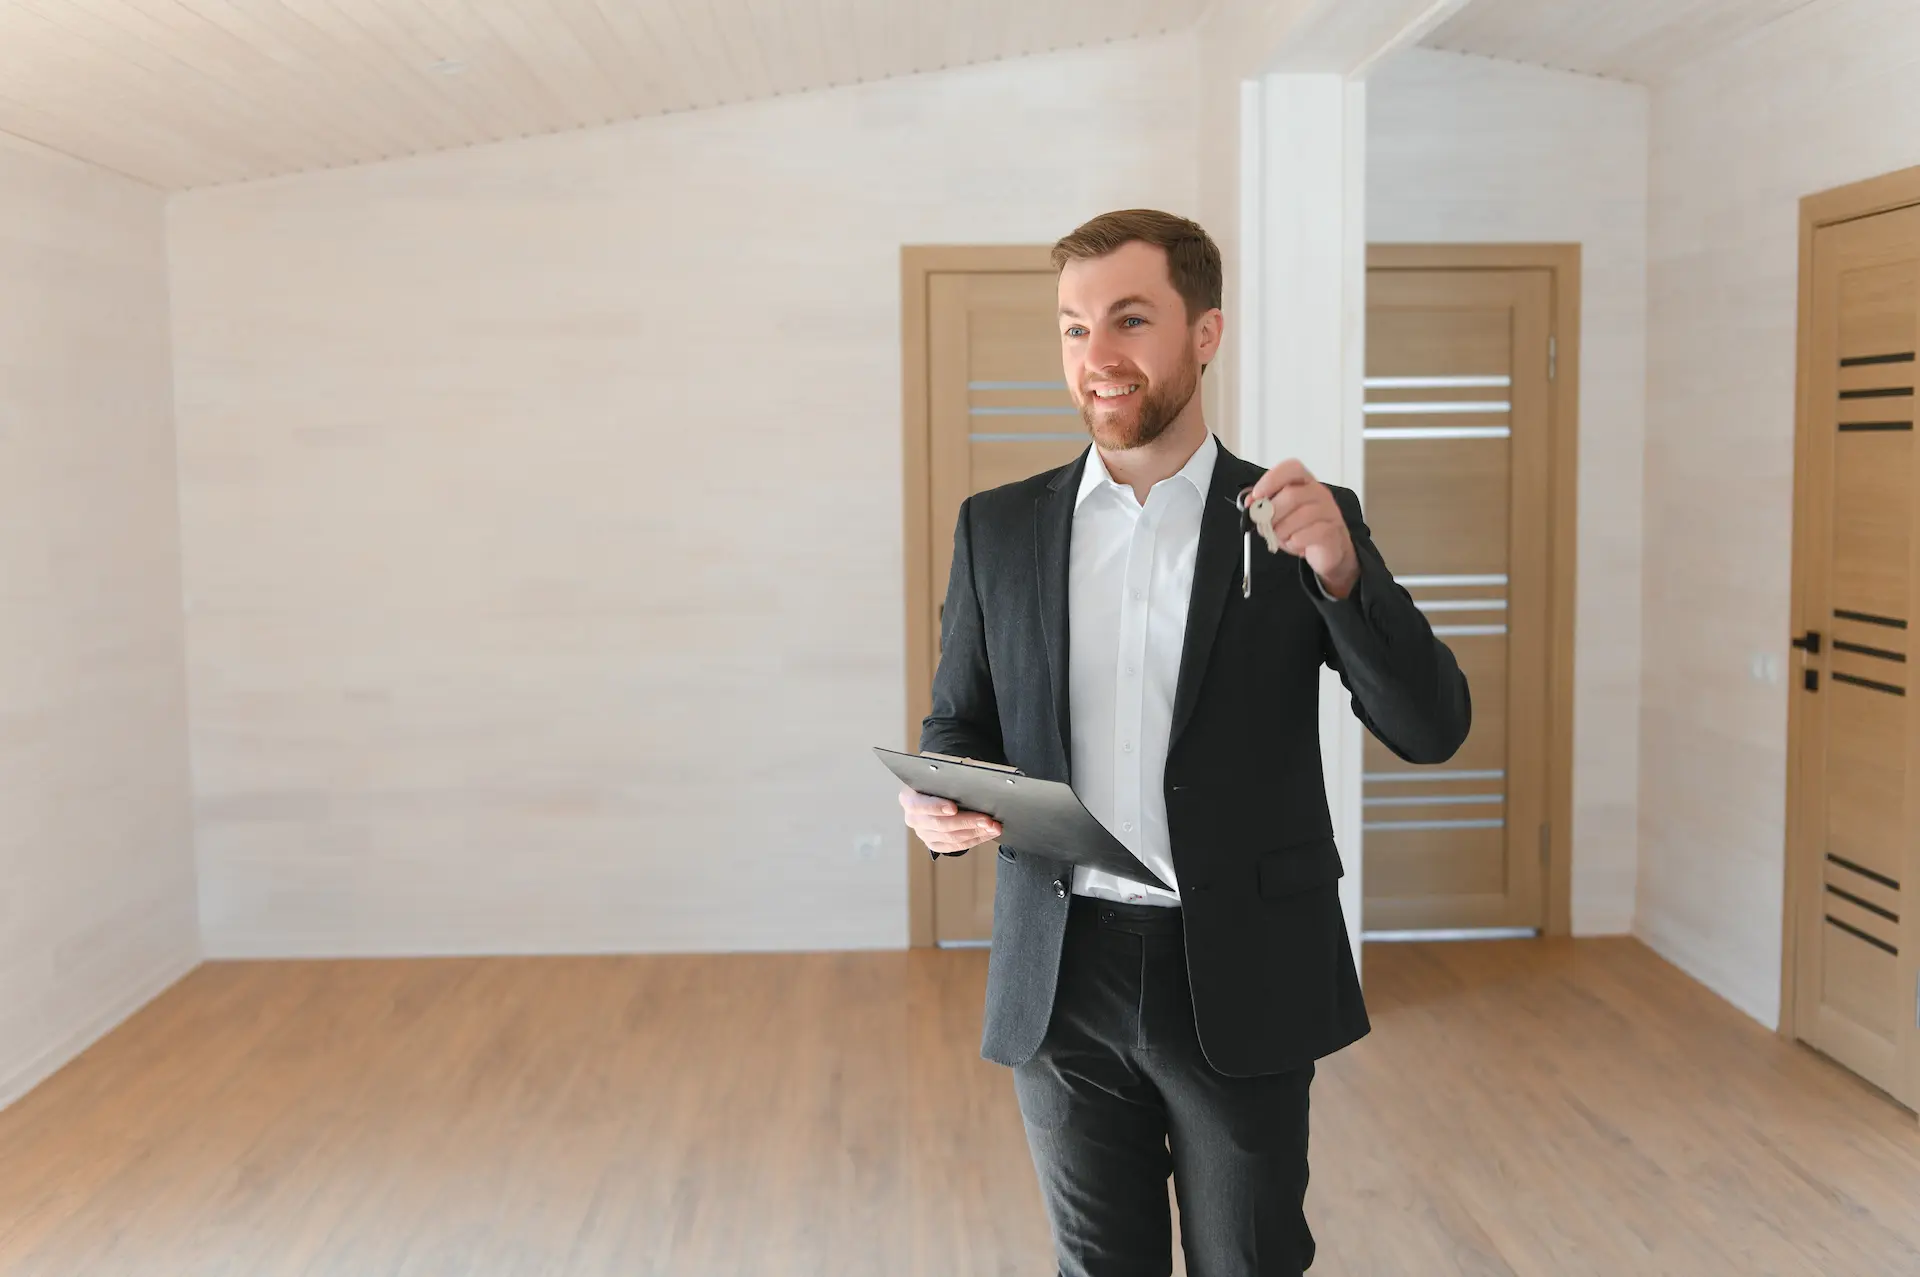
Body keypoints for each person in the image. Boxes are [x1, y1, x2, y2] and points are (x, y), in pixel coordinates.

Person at [897, 209, 1471, 1277]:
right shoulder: (1000, 528)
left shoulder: (1299, 517)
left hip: (1242, 964)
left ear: (1205, 334)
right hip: (1058, 973)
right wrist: (934, 803)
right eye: (1073, 328)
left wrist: (1346, 578)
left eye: (1128, 319)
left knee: (1250, 1261)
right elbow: (958, 720)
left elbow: (1431, 727)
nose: (1098, 357)